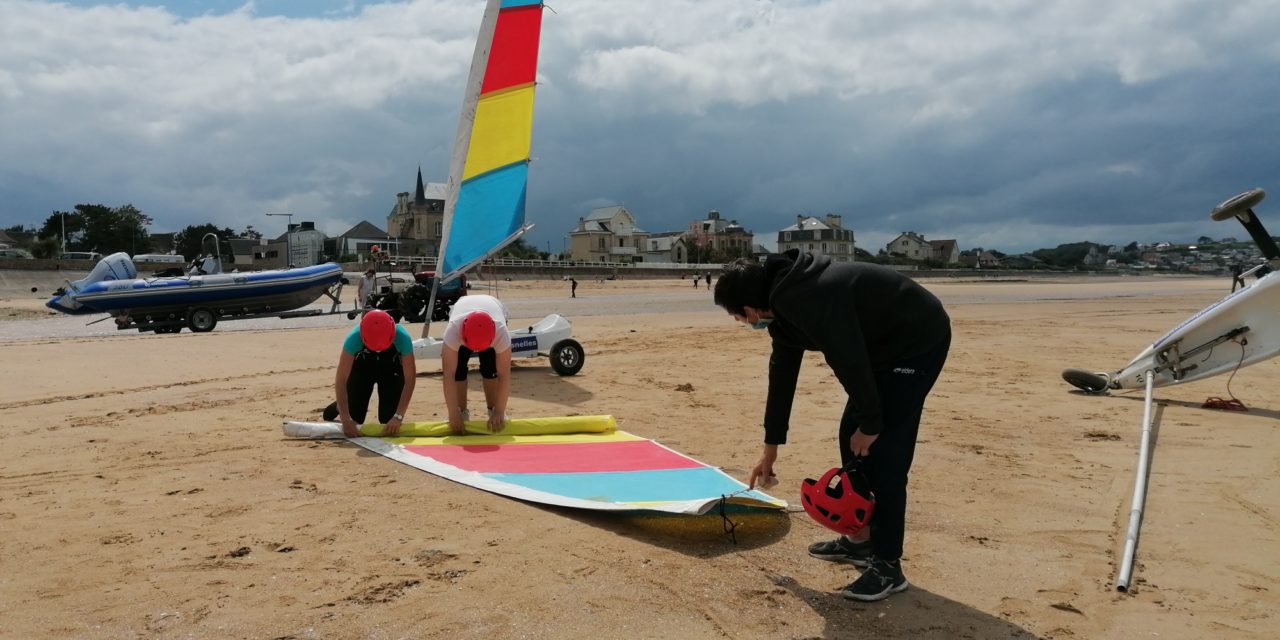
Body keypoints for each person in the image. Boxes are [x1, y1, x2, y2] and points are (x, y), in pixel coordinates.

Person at [713, 250, 951, 602]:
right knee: (851, 437)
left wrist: (871, 422)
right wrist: (770, 449)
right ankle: (860, 541)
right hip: (880, 347)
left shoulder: (807, 295)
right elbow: (782, 374)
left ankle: (887, 565)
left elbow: (847, 358)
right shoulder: (781, 310)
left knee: (883, 451)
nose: (741, 322)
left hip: (916, 340)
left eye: (736, 316)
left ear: (748, 309)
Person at [323, 310, 417, 438]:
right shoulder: (354, 338)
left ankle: (347, 402)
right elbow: (341, 379)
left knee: (387, 420)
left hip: (391, 370)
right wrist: (345, 419)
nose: (378, 349)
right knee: (355, 419)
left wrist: (398, 416)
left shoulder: (403, 338)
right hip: (363, 369)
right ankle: (339, 405)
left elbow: (410, 380)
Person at [441, 294, 513, 435]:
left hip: (493, 308)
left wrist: (499, 411)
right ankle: (462, 411)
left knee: (489, 368)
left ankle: (492, 410)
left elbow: (504, 376)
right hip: (462, 311)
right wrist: (453, 412)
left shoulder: (501, 333)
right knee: (458, 372)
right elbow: (448, 375)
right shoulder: (453, 331)